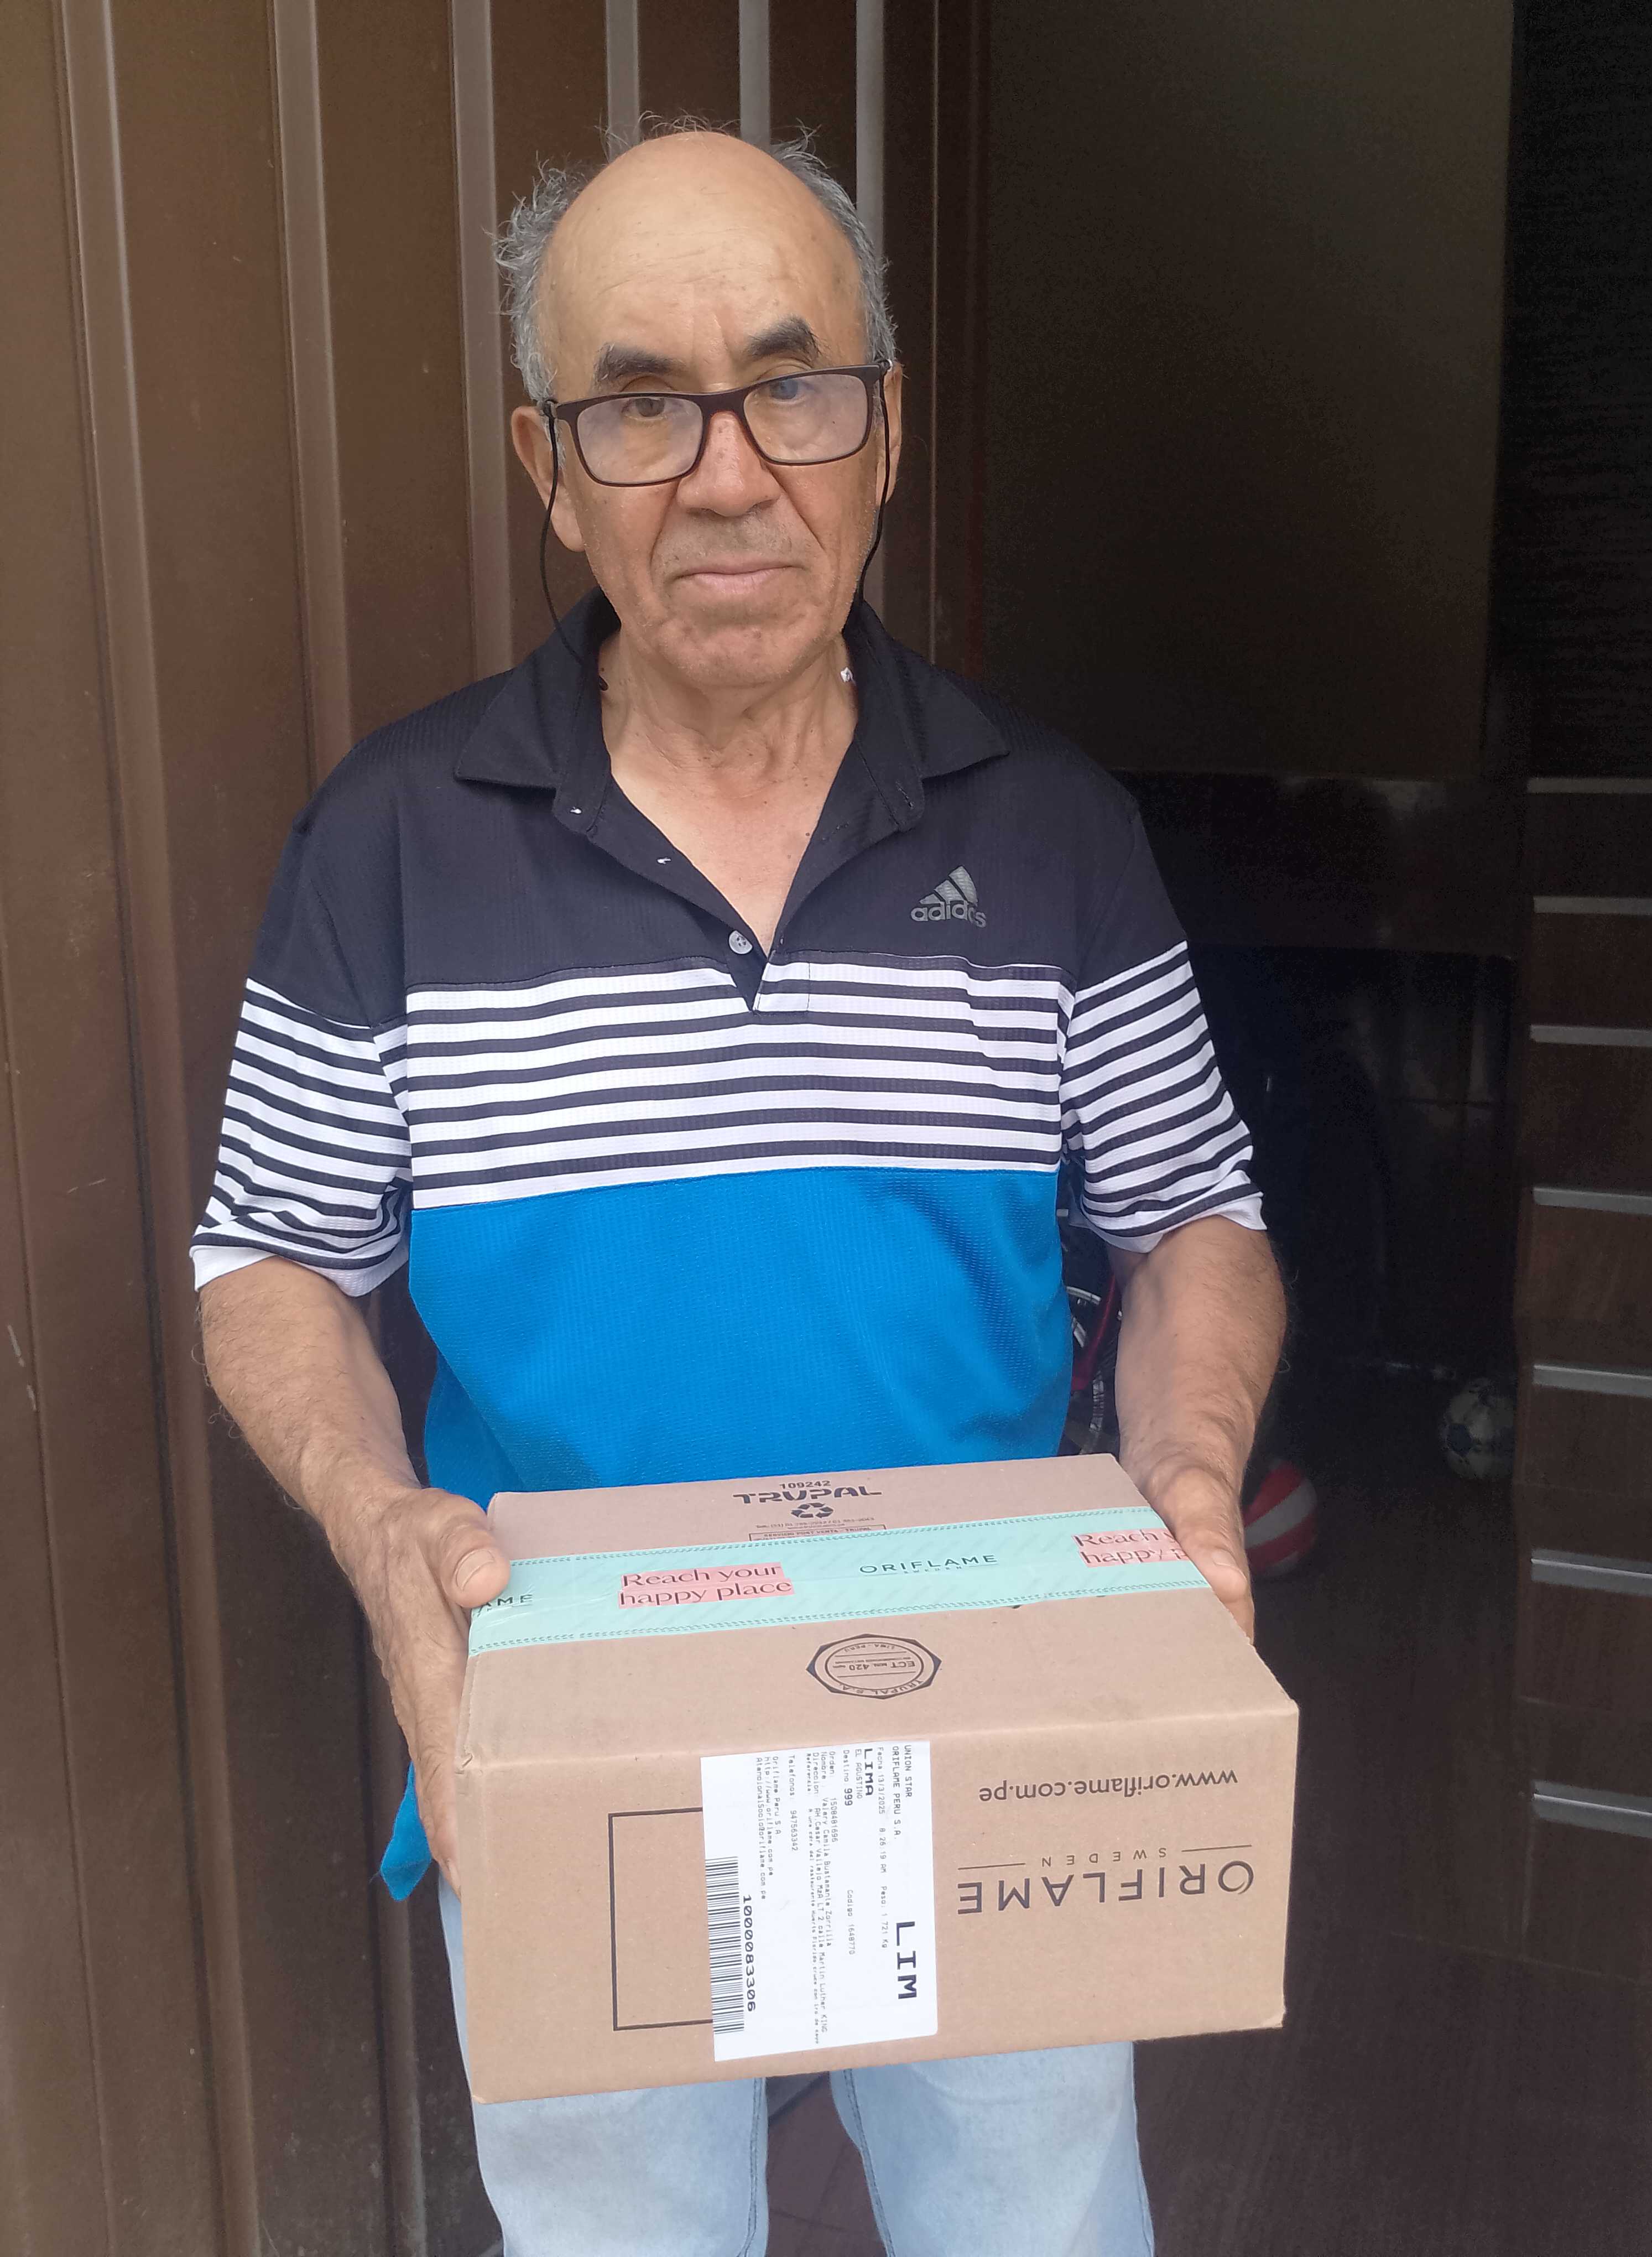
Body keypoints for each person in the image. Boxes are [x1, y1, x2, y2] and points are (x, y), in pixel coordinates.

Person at [195, 122, 1285, 2257]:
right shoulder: (392, 845)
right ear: (548, 465)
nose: (725, 474)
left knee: (1035, 2221)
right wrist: (378, 1523)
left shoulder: (1053, 834)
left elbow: (1189, 1219)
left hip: (993, 1694)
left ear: (886, 434)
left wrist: (1192, 1475)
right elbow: (272, 1257)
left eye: (796, 388)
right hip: (577, 1714)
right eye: (639, 406)